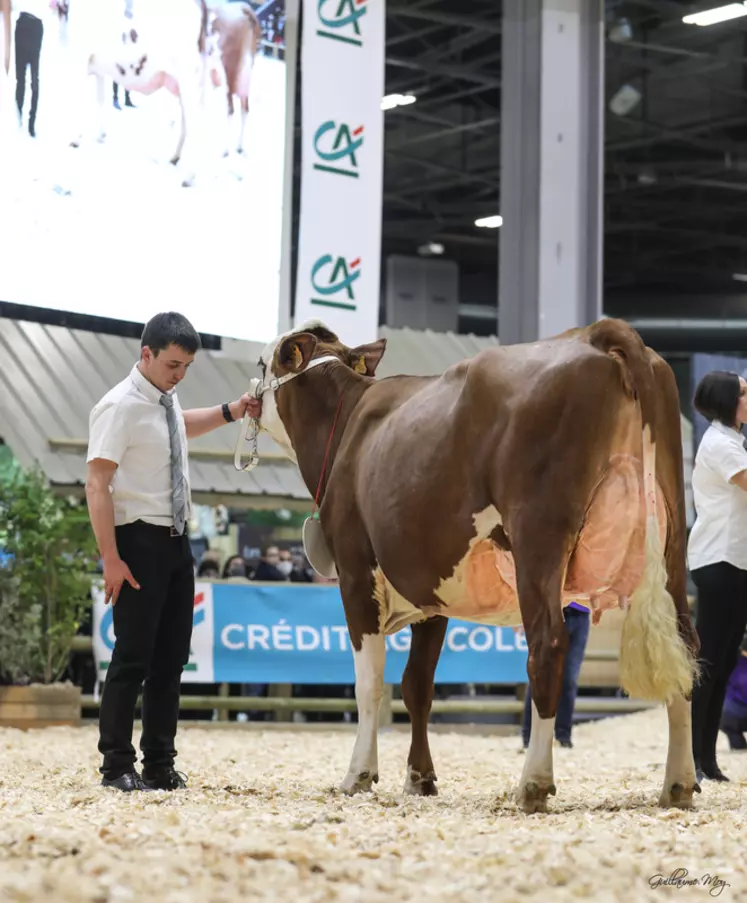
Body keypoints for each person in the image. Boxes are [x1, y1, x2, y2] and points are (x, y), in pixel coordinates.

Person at [85, 311, 261, 793]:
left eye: (185, 367)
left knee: (171, 660)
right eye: (173, 365)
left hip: (177, 541)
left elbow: (177, 426)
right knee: (132, 658)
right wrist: (111, 556)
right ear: (147, 354)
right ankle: (116, 765)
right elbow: (97, 484)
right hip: (137, 540)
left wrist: (232, 411)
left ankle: (159, 763)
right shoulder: (118, 407)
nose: (180, 374)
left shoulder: (163, 398)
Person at [687, 370, 747, 783]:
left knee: (724, 663)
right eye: (744, 393)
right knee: (709, 663)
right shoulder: (721, 445)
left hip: (736, 562)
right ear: (729, 402)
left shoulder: (733, 442)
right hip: (718, 561)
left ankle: (707, 760)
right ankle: (692, 758)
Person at [521, 602, 590, 749]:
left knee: (569, 678)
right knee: (539, 675)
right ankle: (530, 736)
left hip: (581, 612)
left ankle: (563, 735)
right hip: (549, 610)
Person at [14, 0, 47, 137]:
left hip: (28, 24)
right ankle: (24, 119)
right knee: (29, 79)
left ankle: (23, 119)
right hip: (30, 24)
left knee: (25, 79)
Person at [720, 633, 747, 751]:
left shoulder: (731, 662)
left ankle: (737, 742)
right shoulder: (735, 663)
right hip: (733, 712)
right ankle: (738, 743)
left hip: (730, 713)